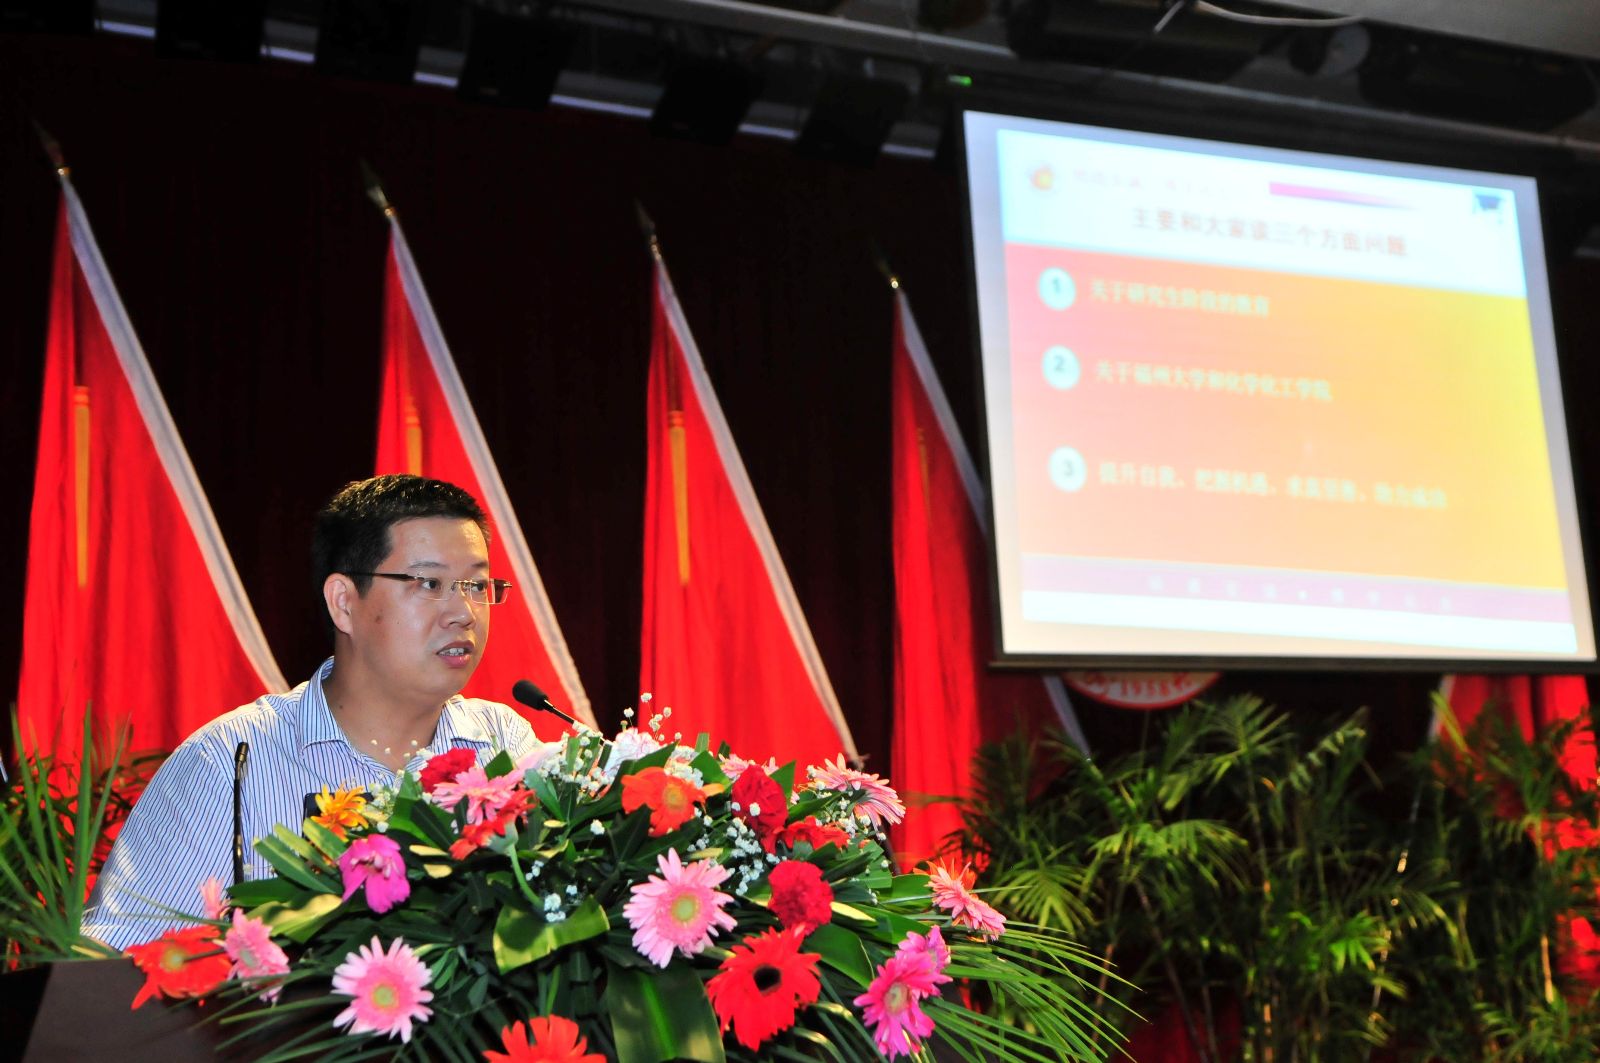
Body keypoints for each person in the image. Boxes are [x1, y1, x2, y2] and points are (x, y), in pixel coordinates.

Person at [82, 475, 542, 950]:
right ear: (344, 603)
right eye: (430, 583)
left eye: (477, 584)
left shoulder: (504, 745)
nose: (464, 612)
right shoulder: (229, 765)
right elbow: (114, 960)